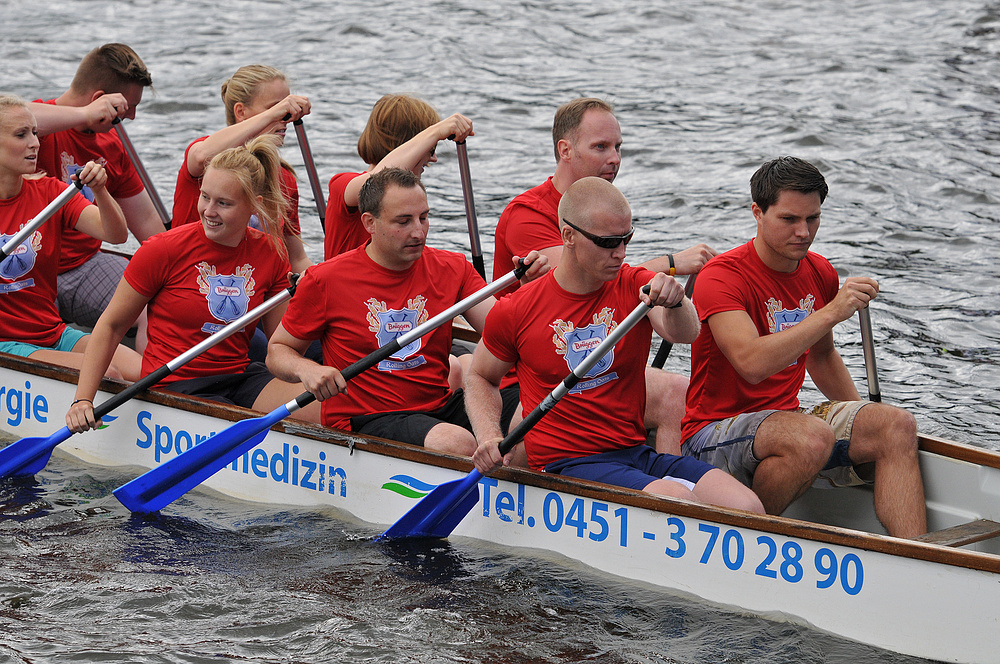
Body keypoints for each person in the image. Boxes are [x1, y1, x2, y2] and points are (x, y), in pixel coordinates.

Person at [466, 177, 764, 514]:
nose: (620, 253)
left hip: (634, 453)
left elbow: (685, 334)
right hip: (567, 464)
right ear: (569, 237)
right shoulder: (517, 308)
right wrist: (488, 436)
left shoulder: (634, 284)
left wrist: (678, 302)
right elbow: (479, 377)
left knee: (748, 506)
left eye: (627, 239)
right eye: (608, 242)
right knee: (678, 501)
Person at [679, 156, 926, 538]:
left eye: (813, 219)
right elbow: (751, 362)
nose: (803, 232)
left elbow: (822, 356)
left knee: (895, 424)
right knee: (810, 438)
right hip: (710, 434)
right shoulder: (722, 276)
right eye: (789, 219)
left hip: (785, 421)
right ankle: (747, 535)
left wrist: (861, 417)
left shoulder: (820, 270)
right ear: (758, 213)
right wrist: (831, 312)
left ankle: (918, 557)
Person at [266, 168, 547, 455]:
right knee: (457, 443)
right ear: (369, 223)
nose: (418, 231)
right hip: (366, 419)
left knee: (539, 413)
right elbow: (277, 351)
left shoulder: (453, 268)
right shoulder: (324, 279)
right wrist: (308, 369)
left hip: (438, 407)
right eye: (403, 221)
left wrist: (530, 290)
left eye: (423, 218)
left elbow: (506, 334)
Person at [492, 97, 713, 455]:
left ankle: (662, 490)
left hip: (592, 365)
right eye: (601, 147)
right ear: (565, 149)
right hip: (528, 378)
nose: (615, 158)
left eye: (618, 147)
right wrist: (671, 263)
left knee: (676, 392)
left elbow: (677, 325)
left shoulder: (607, 210)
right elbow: (579, 269)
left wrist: (671, 295)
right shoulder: (527, 214)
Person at [65, 136, 321, 433]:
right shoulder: (162, 249)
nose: (208, 211)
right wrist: (83, 399)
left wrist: (311, 302)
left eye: (223, 203)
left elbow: (281, 346)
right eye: (205, 197)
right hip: (174, 382)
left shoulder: (271, 252)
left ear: (254, 205)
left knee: (327, 408)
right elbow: (111, 327)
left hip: (237, 375)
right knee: (239, 420)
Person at [28, 43, 165, 332]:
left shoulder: (112, 145)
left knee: (157, 309)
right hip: (27, 269)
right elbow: (13, 118)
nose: (132, 118)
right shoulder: (31, 129)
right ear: (100, 100)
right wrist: (85, 115)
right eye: (128, 108)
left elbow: (148, 225)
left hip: (85, 266)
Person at [0, 95, 138, 379]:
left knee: (145, 372)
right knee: (108, 374)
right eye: (21, 135)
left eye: (35, 133)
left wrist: (100, 190)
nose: (35, 143)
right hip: (7, 345)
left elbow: (115, 233)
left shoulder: (51, 193)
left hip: (52, 332)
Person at [171, 64, 312, 274]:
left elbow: (296, 258)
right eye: (276, 108)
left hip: (251, 282)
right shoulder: (209, 158)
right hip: (191, 276)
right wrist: (274, 114)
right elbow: (201, 156)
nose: (286, 118)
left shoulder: (284, 178)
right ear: (241, 112)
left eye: (286, 110)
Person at [323, 94, 473, 261]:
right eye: (430, 147)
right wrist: (435, 132)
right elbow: (377, 183)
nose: (434, 158)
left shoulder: (411, 196)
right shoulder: (342, 185)